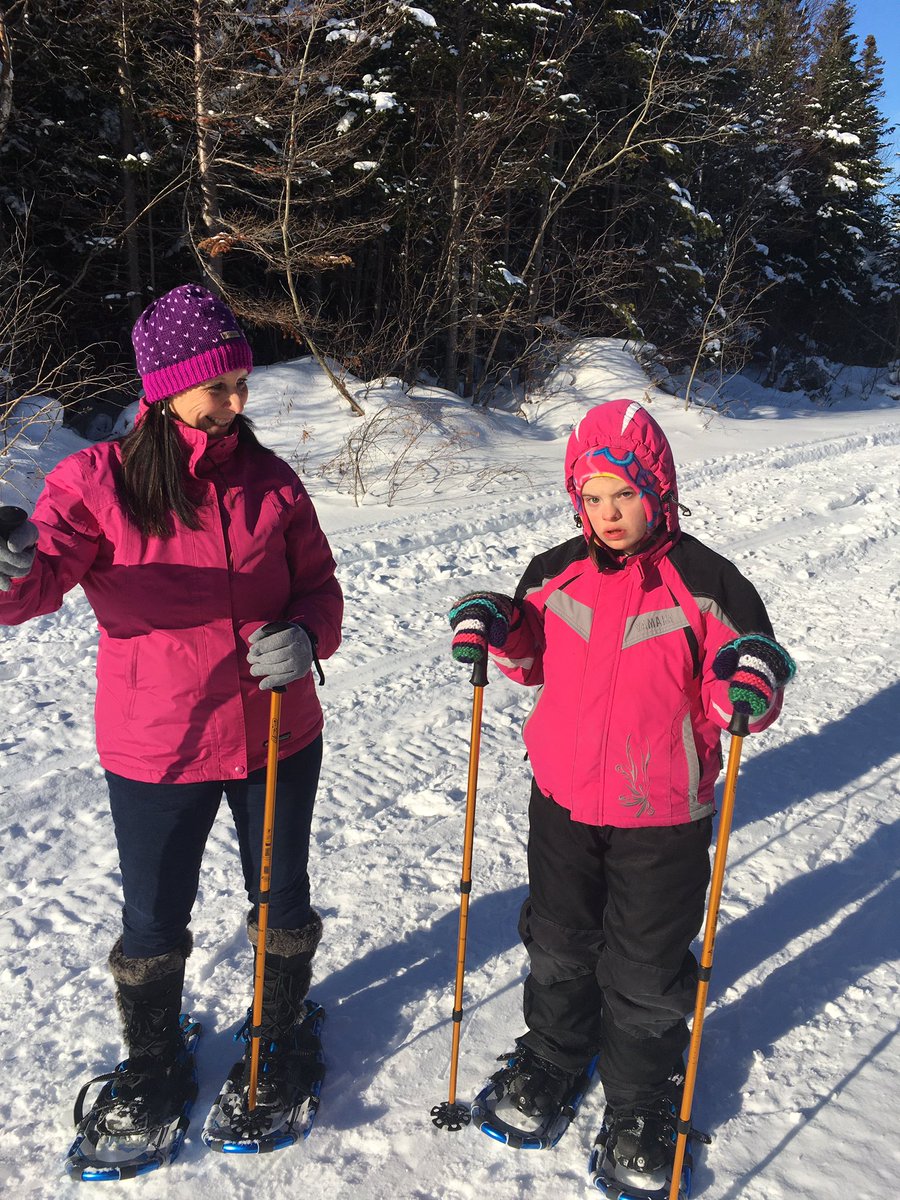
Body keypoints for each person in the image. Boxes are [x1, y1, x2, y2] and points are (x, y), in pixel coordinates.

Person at [0, 285, 343, 1144]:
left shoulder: (273, 482)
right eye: (216, 386)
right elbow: (37, 582)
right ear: (164, 388)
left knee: (281, 895)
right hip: (159, 745)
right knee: (154, 916)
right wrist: (6, 567)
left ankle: (278, 1033)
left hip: (275, 732)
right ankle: (153, 1060)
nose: (235, 402)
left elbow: (320, 587)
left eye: (240, 383)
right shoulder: (96, 482)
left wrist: (307, 632)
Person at [449, 399, 794, 1191]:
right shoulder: (554, 568)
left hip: (661, 813)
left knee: (643, 964)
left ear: (658, 491)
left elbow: (751, 662)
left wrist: (745, 686)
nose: (607, 514)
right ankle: (555, 1052)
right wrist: (497, 626)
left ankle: (641, 1095)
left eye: (624, 496)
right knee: (561, 939)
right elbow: (528, 647)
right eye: (592, 498)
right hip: (563, 799)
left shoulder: (706, 580)